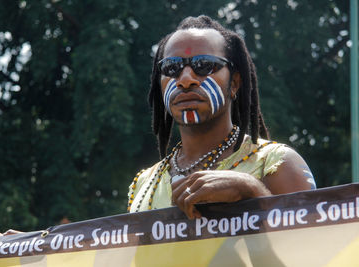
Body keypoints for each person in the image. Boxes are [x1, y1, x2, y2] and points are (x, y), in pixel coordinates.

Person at [127, 15, 316, 219]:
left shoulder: (277, 163)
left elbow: (316, 245)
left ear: (233, 83)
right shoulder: (144, 184)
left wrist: (253, 191)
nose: (185, 80)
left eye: (204, 65)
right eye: (171, 68)